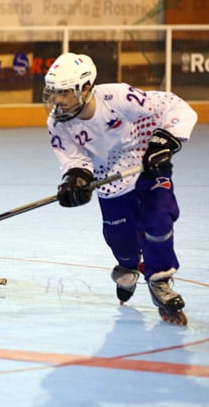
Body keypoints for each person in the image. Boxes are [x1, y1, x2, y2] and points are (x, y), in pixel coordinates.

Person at [42, 52, 198, 325]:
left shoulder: (118, 98)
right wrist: (75, 180)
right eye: (54, 92)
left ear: (86, 87)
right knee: (120, 237)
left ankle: (159, 280)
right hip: (109, 178)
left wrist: (165, 142)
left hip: (147, 166)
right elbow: (74, 160)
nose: (58, 100)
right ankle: (128, 264)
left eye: (65, 92)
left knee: (158, 220)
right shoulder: (58, 123)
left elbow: (174, 106)